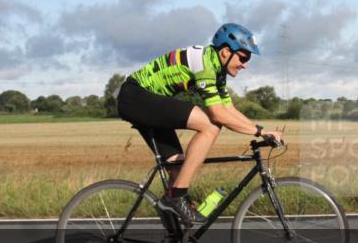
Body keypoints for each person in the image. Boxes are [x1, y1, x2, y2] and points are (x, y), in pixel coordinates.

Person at [116, 23, 283, 224]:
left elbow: (229, 109)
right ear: (226, 52)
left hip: (149, 102)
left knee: (177, 171)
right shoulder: (205, 64)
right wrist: (259, 132)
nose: (245, 64)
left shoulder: (217, 69)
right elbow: (218, 115)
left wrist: (261, 130)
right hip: (137, 98)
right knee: (210, 125)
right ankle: (176, 197)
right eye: (244, 57)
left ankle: (173, 241)